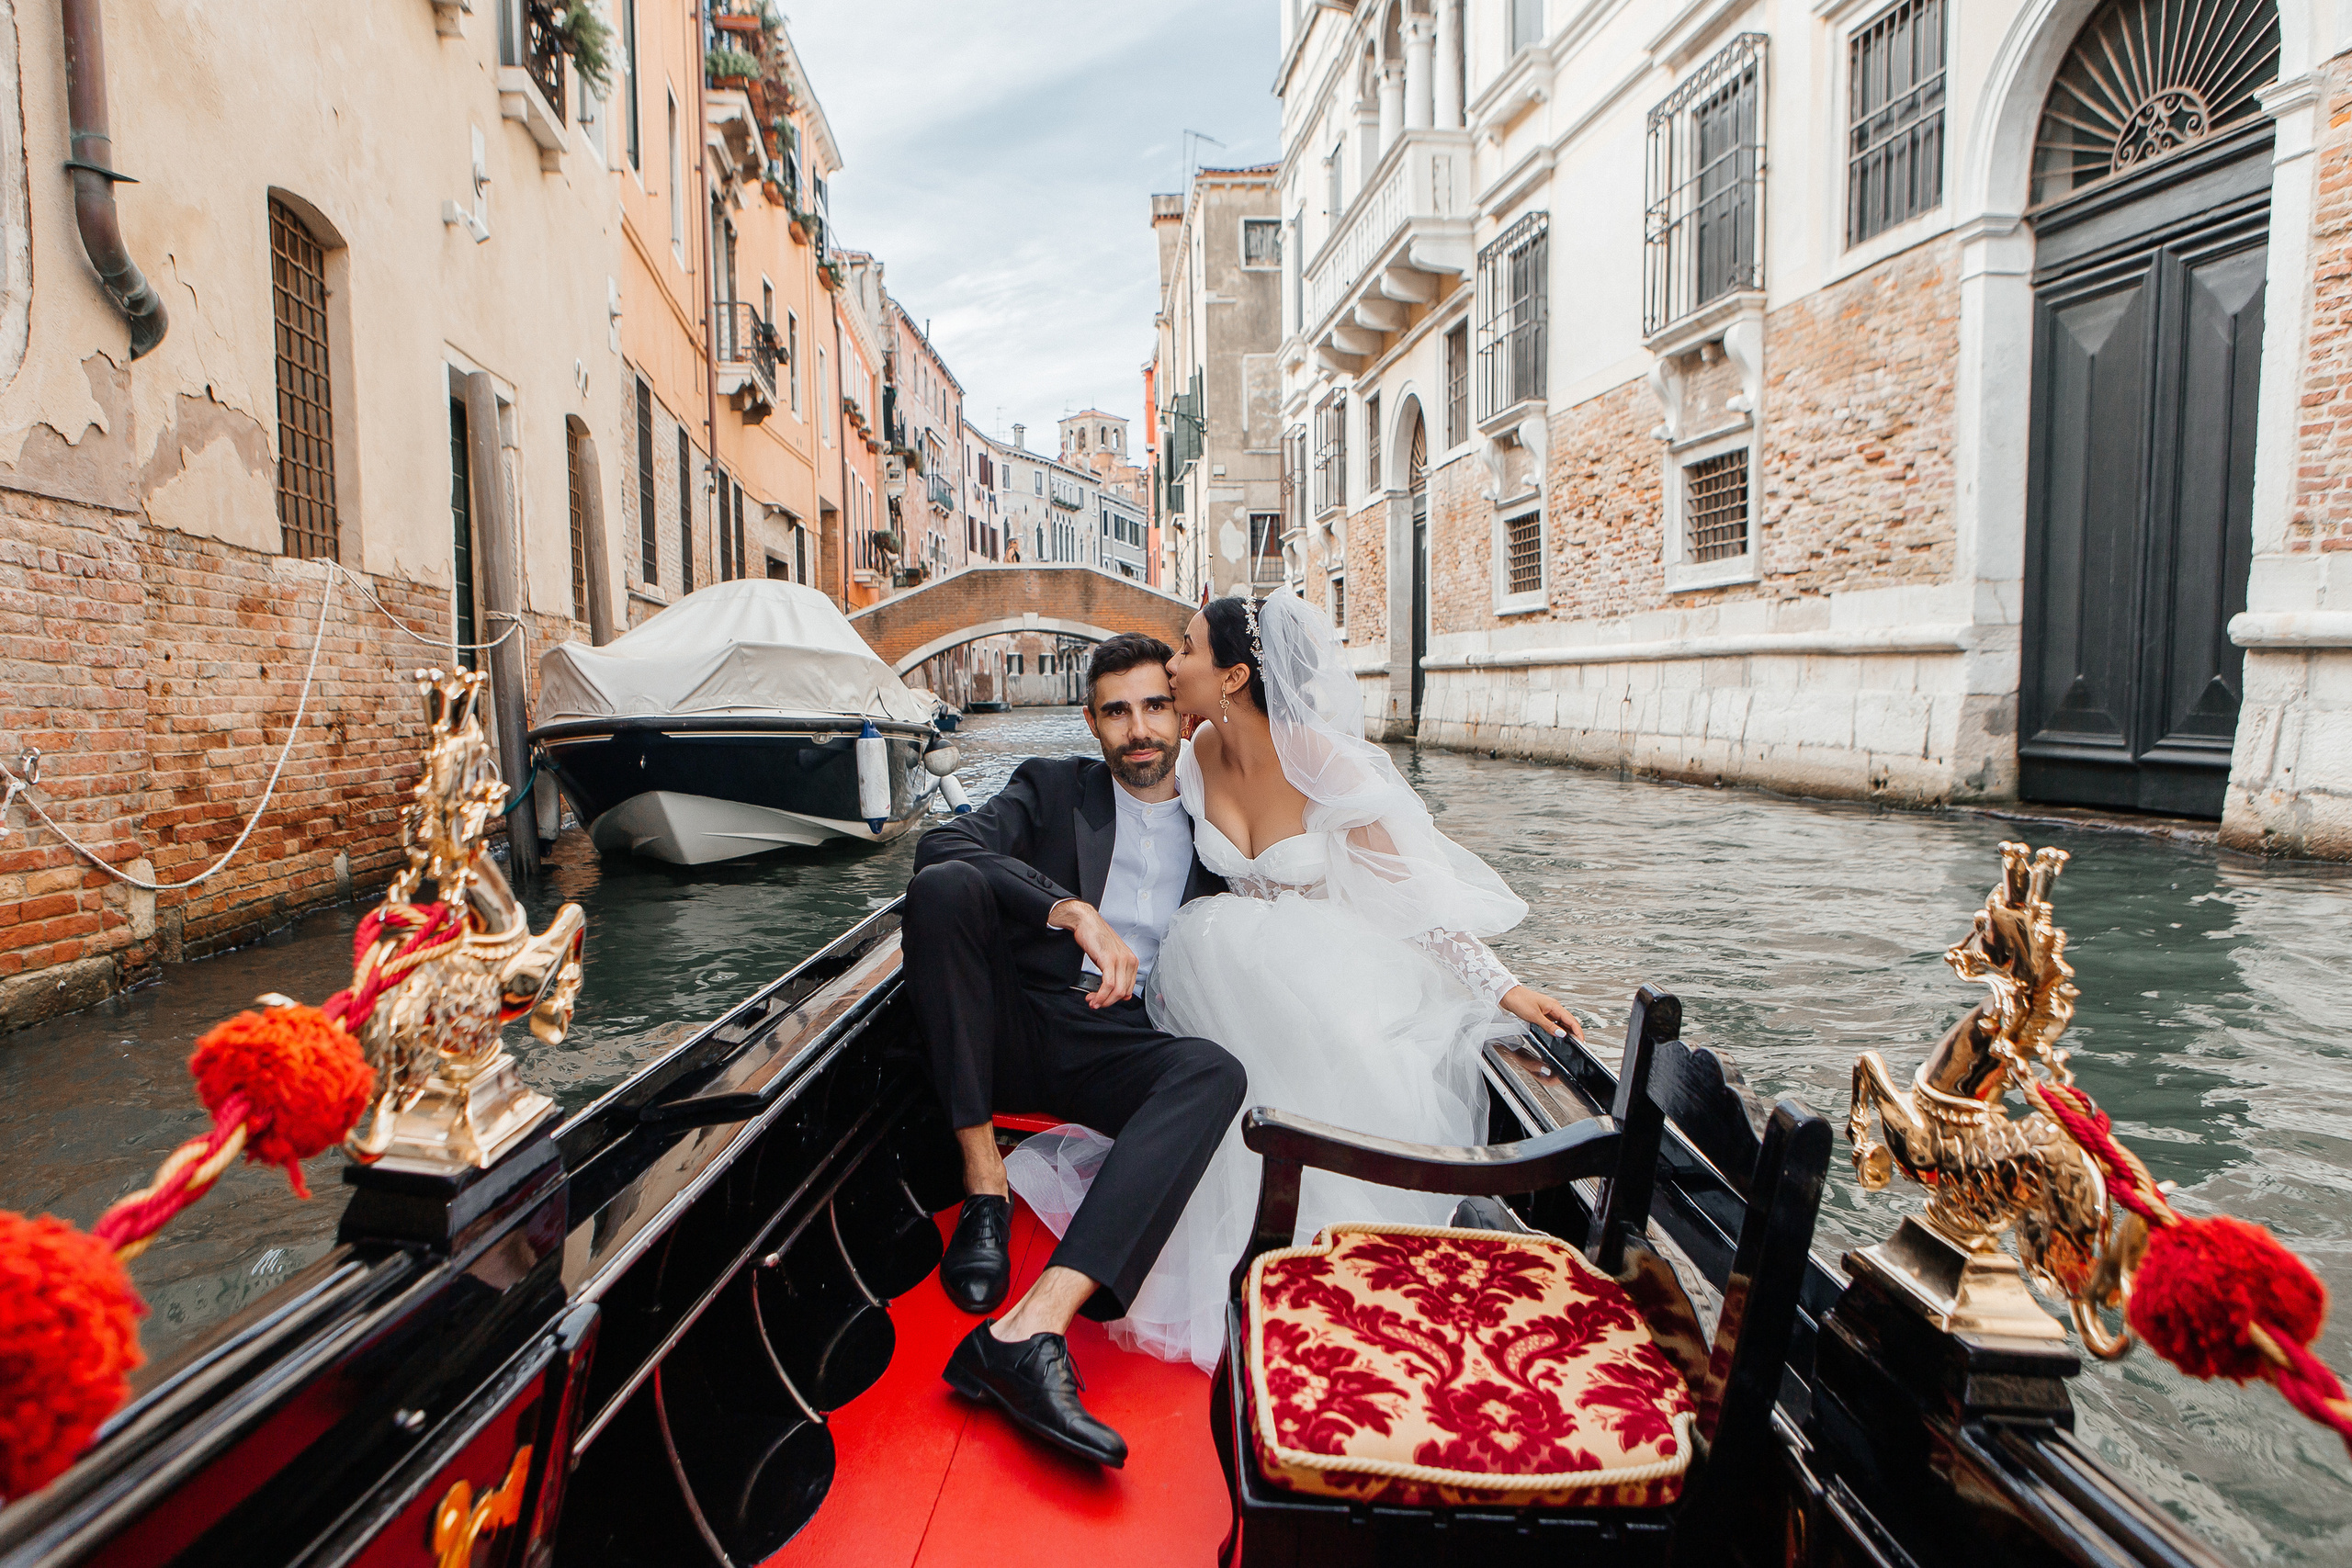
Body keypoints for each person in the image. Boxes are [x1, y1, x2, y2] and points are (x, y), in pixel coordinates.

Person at [1005, 591, 1582, 1374]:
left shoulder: (1321, 759)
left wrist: (1503, 986)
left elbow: (1412, 893)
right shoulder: (1198, 746)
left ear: (1234, 675)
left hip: (1330, 964)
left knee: (1307, 1053)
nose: (1173, 665)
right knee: (1219, 1063)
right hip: (1218, 966)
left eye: (1187, 651)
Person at [901, 632, 1245, 1467]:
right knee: (943, 887)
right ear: (1092, 722)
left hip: (1122, 1043)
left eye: (1155, 706)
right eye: (1118, 710)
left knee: (1215, 1072)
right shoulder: (1051, 787)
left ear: (1181, 712)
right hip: (1017, 1021)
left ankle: (1034, 1323)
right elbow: (943, 848)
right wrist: (1069, 911)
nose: (1139, 729)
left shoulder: (1218, 829)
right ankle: (986, 1184)